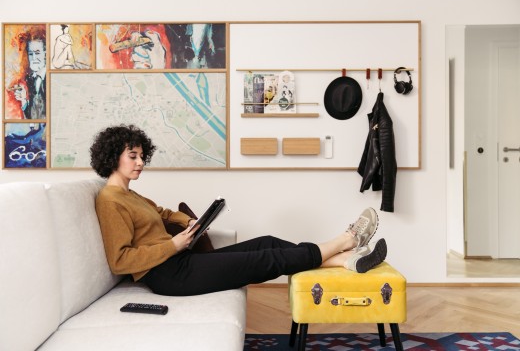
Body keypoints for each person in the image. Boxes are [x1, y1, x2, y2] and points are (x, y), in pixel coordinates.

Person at [90, 125, 387, 296]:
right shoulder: (109, 200)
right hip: (167, 276)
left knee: (267, 242)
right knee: (267, 259)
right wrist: (173, 244)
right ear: (112, 157)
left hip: (179, 259)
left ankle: (345, 261)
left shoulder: (130, 194)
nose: (140, 162)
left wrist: (192, 223)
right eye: (133, 156)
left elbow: (165, 213)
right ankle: (347, 240)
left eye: (142, 156)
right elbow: (119, 260)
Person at [12, 28, 46, 119]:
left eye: (37, 53)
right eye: (31, 54)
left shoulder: (52, 78)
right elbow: (32, 118)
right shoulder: (30, 79)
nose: (34, 58)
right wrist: (23, 100)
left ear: (46, 54)